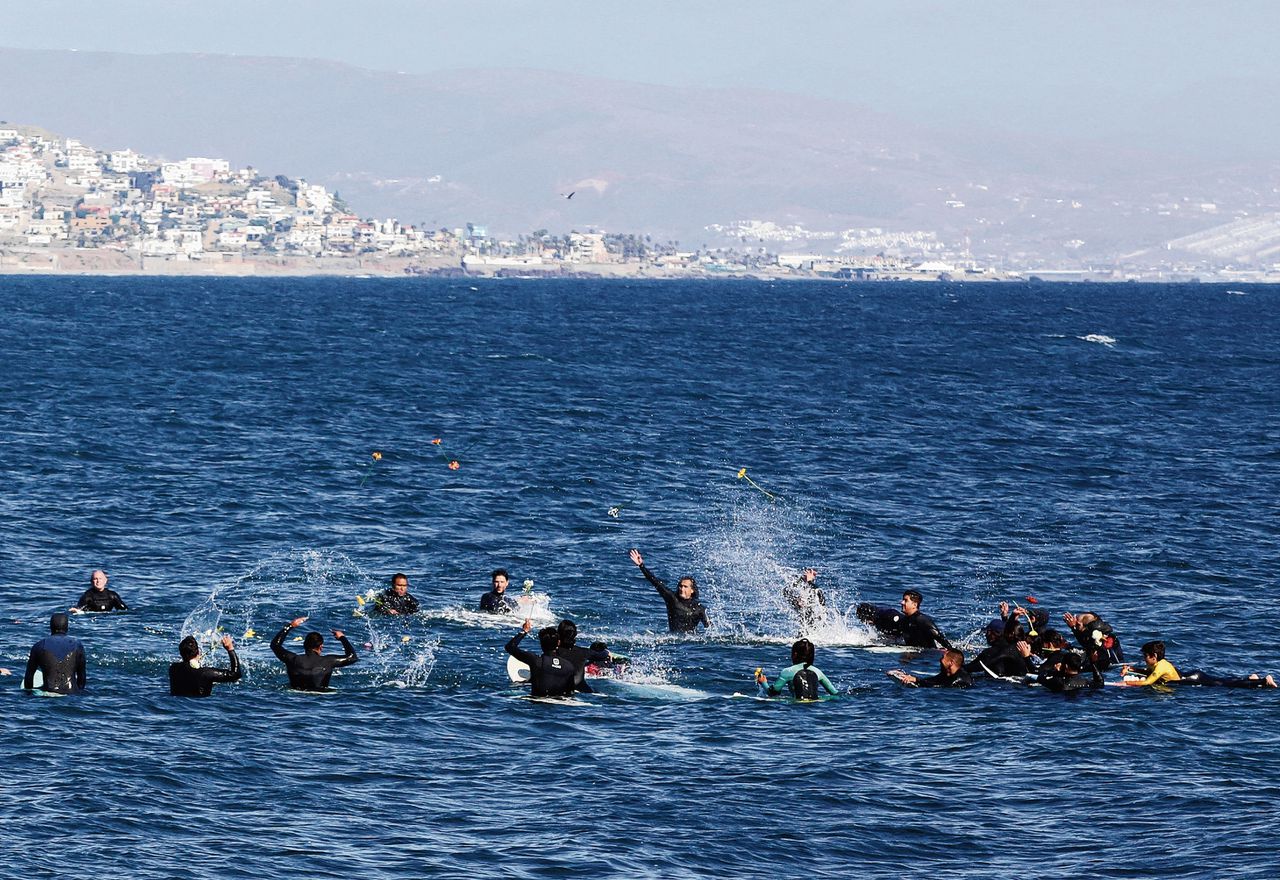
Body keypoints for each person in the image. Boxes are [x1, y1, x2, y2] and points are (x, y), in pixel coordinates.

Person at [1123, 641, 1277, 689]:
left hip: (1194, 679)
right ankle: (1251, 678)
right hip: (1190, 675)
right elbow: (1146, 672)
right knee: (1224, 679)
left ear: (1154, 657)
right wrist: (1132, 670)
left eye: (1145, 656)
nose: (1144, 659)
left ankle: (1263, 681)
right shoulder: (1156, 664)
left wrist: (1125, 683)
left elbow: (1148, 682)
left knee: (1224, 685)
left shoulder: (1161, 666)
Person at [628, 548, 709, 634]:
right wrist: (641, 566)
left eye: (685, 587)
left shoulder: (699, 608)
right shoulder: (672, 599)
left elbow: (710, 629)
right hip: (673, 641)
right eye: (680, 586)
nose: (682, 589)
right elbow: (655, 582)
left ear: (692, 590)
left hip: (691, 645)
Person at [270, 616, 358, 691]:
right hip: (322, 698)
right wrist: (342, 638)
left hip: (295, 697)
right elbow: (352, 657)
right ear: (321, 647)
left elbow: (275, 645)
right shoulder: (329, 662)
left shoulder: (293, 660)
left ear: (304, 645)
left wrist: (290, 626)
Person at [505, 619, 576, 698]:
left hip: (537, 702)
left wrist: (524, 631)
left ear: (541, 643)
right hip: (560, 704)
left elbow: (510, 647)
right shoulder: (569, 666)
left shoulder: (535, 661)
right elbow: (571, 693)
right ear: (558, 643)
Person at [23, 612, 86, 695]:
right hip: (72, 693)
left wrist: (29, 693)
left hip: (47, 693)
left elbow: (29, 677)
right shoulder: (77, 645)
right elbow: (82, 678)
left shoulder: (39, 645)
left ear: (50, 627)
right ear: (67, 627)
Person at [756, 638, 838, 700]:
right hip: (815, 705)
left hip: (797, 705)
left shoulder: (787, 672)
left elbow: (773, 693)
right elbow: (834, 693)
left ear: (794, 654)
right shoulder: (818, 672)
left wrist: (763, 683)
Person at [169, 634, 242, 697]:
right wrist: (230, 649)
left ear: (181, 653)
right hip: (202, 708)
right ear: (199, 652)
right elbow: (236, 675)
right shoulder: (206, 673)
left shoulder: (173, 669)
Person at [888, 648, 972, 688]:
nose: (940, 660)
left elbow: (940, 686)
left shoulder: (959, 679)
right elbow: (933, 680)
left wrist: (917, 681)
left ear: (951, 663)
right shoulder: (946, 673)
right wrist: (911, 678)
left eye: (943, 658)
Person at [555, 619, 594, 694]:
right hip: (584, 690)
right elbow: (602, 655)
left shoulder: (553, 652)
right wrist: (606, 652)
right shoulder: (584, 652)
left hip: (560, 689)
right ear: (575, 634)